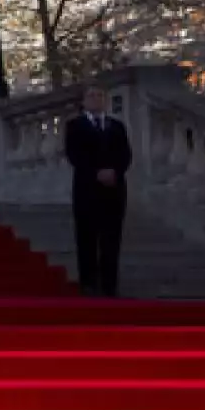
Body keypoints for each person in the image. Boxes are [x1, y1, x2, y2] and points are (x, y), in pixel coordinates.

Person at [65, 83, 132, 297]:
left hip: (114, 190)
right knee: (87, 237)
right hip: (87, 190)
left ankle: (110, 284)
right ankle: (88, 282)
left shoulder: (117, 126)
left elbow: (126, 155)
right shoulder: (74, 126)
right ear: (84, 101)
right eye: (91, 95)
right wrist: (96, 172)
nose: (96, 99)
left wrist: (115, 172)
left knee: (112, 239)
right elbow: (74, 155)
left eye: (99, 95)